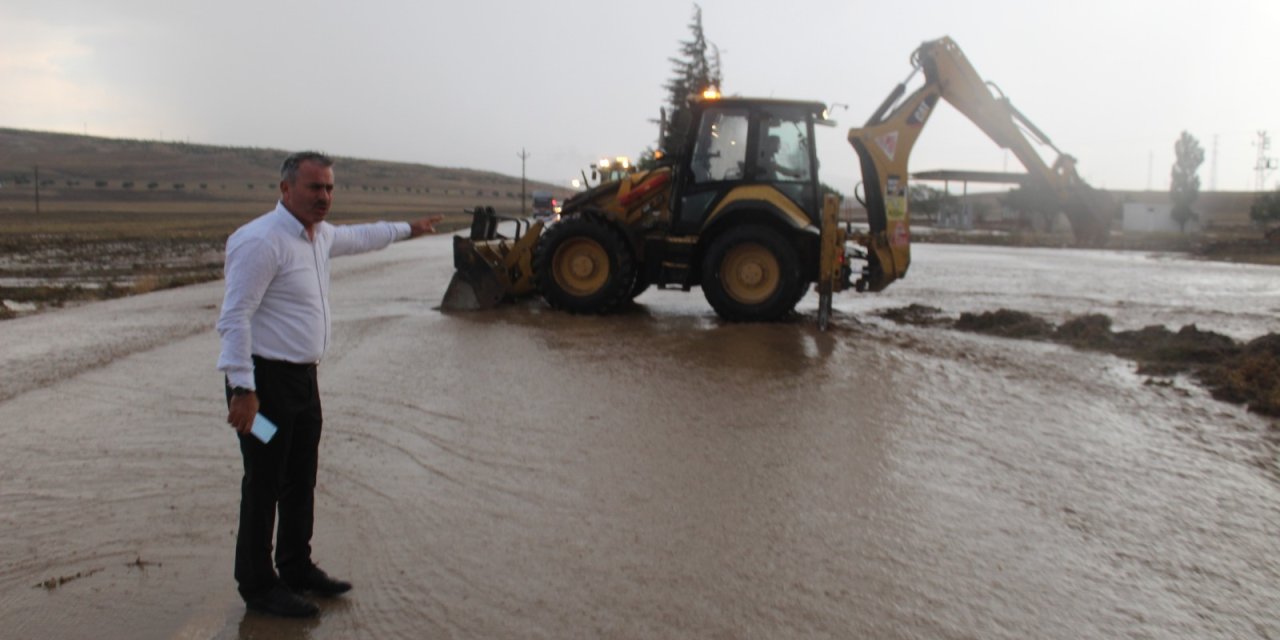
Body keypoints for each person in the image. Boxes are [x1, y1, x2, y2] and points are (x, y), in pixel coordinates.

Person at [216, 151, 442, 618]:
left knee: (300, 477)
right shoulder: (262, 241)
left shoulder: (318, 237)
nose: (324, 197)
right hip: (262, 386)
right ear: (286, 189)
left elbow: (364, 235)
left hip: (302, 382)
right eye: (314, 188)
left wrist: (410, 229)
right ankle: (258, 586)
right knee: (264, 480)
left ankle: (296, 567)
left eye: (330, 188)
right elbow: (234, 317)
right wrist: (242, 389)